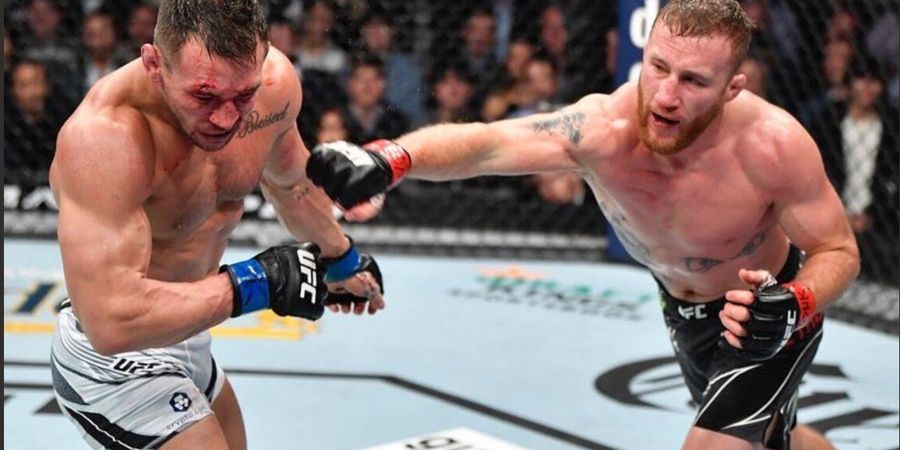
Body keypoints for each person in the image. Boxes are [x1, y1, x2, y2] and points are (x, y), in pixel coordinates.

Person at [306, 1, 858, 449]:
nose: (666, 96)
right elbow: (488, 144)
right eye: (658, 68)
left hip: (764, 309)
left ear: (732, 88)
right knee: (775, 439)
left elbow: (839, 250)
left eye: (693, 80)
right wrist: (390, 159)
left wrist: (795, 303)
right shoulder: (606, 131)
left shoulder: (773, 147)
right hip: (683, 311)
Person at [48, 1, 386, 449]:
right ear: (155, 64)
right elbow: (111, 322)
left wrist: (340, 257)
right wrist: (257, 283)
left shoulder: (273, 85)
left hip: (190, 338)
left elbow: (291, 187)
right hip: (112, 356)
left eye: (242, 96)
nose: (226, 118)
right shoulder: (106, 139)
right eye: (204, 97)